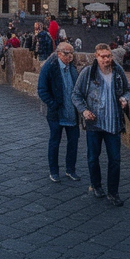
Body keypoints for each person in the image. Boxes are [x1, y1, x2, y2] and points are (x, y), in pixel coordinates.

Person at [72, 44, 130, 205]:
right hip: (94, 123)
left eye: (108, 56)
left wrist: (125, 99)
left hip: (114, 122)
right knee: (93, 157)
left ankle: (113, 192)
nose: (106, 59)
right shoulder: (88, 73)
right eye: (103, 56)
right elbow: (76, 95)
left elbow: (127, 90)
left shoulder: (118, 72)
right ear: (96, 57)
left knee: (115, 159)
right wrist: (84, 111)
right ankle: (96, 185)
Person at [36, 42, 80, 183]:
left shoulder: (72, 68)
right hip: (56, 113)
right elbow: (42, 89)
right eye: (67, 53)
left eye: (72, 53)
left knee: (73, 142)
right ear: (59, 53)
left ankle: (70, 170)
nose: (70, 56)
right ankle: (54, 171)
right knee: (55, 142)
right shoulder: (50, 67)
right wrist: (53, 104)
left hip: (71, 112)